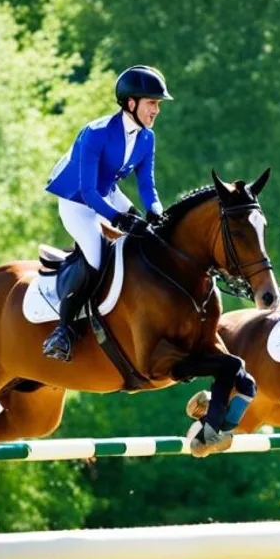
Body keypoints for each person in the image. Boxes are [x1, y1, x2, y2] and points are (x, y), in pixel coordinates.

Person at [41, 65, 171, 362]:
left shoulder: (147, 138)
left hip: (108, 192)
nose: (156, 111)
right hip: (77, 199)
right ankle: (62, 331)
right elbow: (88, 192)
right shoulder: (96, 133)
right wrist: (117, 219)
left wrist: (155, 212)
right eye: (152, 103)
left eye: (158, 104)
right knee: (97, 256)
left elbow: (147, 185)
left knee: (153, 238)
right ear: (131, 103)